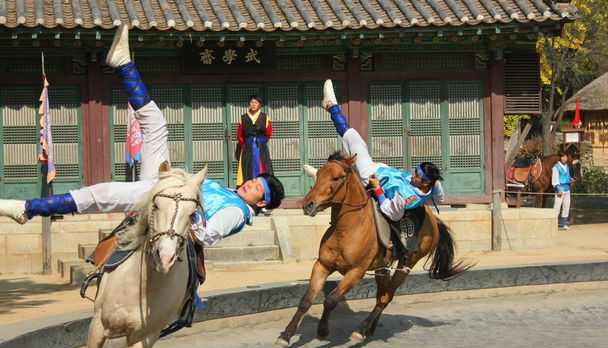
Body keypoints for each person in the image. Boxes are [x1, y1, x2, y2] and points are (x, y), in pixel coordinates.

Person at [0, 25, 284, 247]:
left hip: (160, 201)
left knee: (99, 194)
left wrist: (169, 222)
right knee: (157, 124)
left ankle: (26, 209)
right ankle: (123, 63)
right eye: (253, 181)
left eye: (256, 188)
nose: (249, 184)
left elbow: (206, 235)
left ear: (261, 204)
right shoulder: (230, 193)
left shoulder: (236, 211)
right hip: (162, 184)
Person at [305, 79, 445, 222]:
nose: (413, 175)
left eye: (417, 175)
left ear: (425, 182)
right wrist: (430, 191)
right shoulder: (434, 186)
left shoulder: (405, 197)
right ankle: (319, 176)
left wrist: (378, 189)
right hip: (383, 169)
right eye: (416, 171)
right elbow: (440, 199)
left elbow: (392, 213)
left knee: (354, 140)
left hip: (371, 177)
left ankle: (331, 106)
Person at [235, 95, 273, 188]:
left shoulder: (265, 117)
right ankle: (249, 188)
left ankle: (263, 187)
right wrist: (246, 144)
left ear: (259, 104)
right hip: (247, 147)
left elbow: (268, 132)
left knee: (263, 166)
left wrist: (261, 142)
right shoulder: (243, 118)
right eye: (252, 102)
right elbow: (240, 134)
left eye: (256, 102)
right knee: (247, 168)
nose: (253, 104)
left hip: (261, 147)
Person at [551, 150, 575, 230]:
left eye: (565, 157)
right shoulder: (556, 167)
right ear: (560, 157)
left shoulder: (567, 166)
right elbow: (555, 178)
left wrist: (570, 179)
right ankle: (554, 224)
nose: (564, 158)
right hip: (560, 188)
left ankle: (564, 224)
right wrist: (558, 188)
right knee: (557, 207)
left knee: (566, 206)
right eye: (563, 157)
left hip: (567, 188)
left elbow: (566, 176)